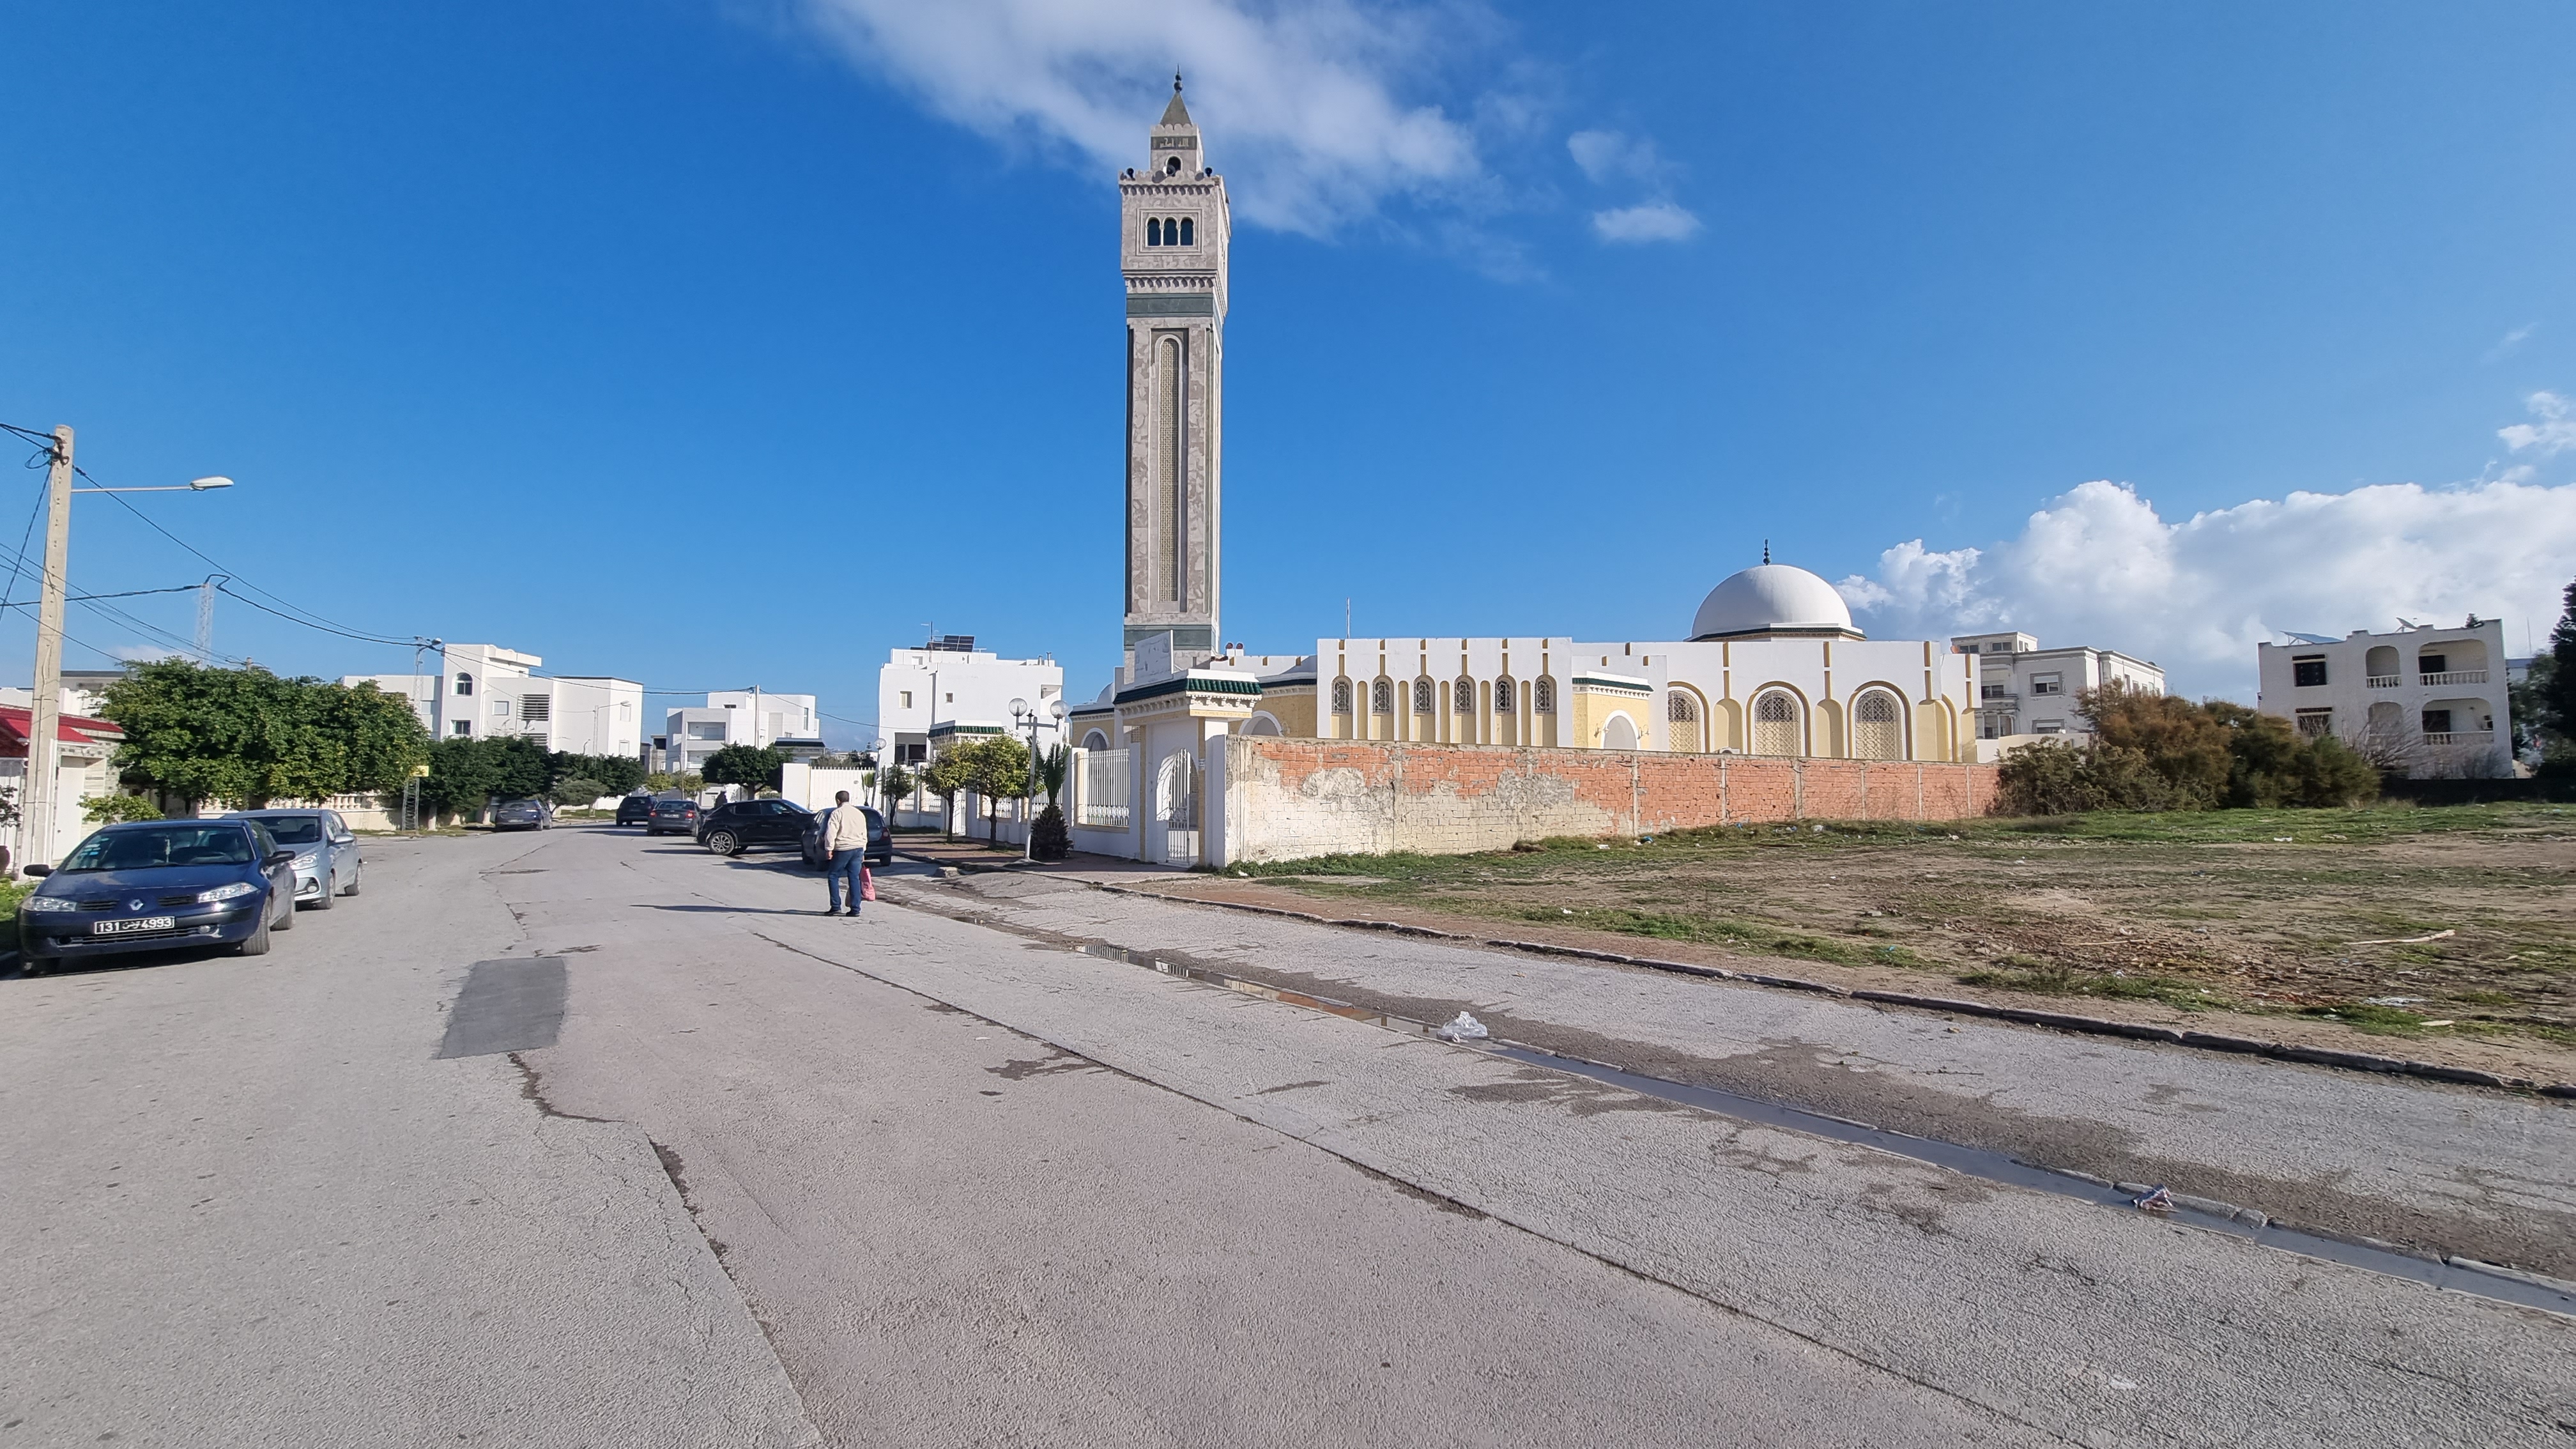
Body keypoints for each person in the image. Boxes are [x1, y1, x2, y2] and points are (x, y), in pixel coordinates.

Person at [818, 790, 870, 917]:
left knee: (833, 875)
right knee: (854, 877)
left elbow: (831, 832)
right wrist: (863, 849)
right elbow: (864, 833)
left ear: (838, 801)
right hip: (858, 848)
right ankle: (855, 908)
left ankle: (836, 906)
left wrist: (829, 849)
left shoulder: (837, 813)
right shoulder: (859, 814)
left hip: (843, 848)